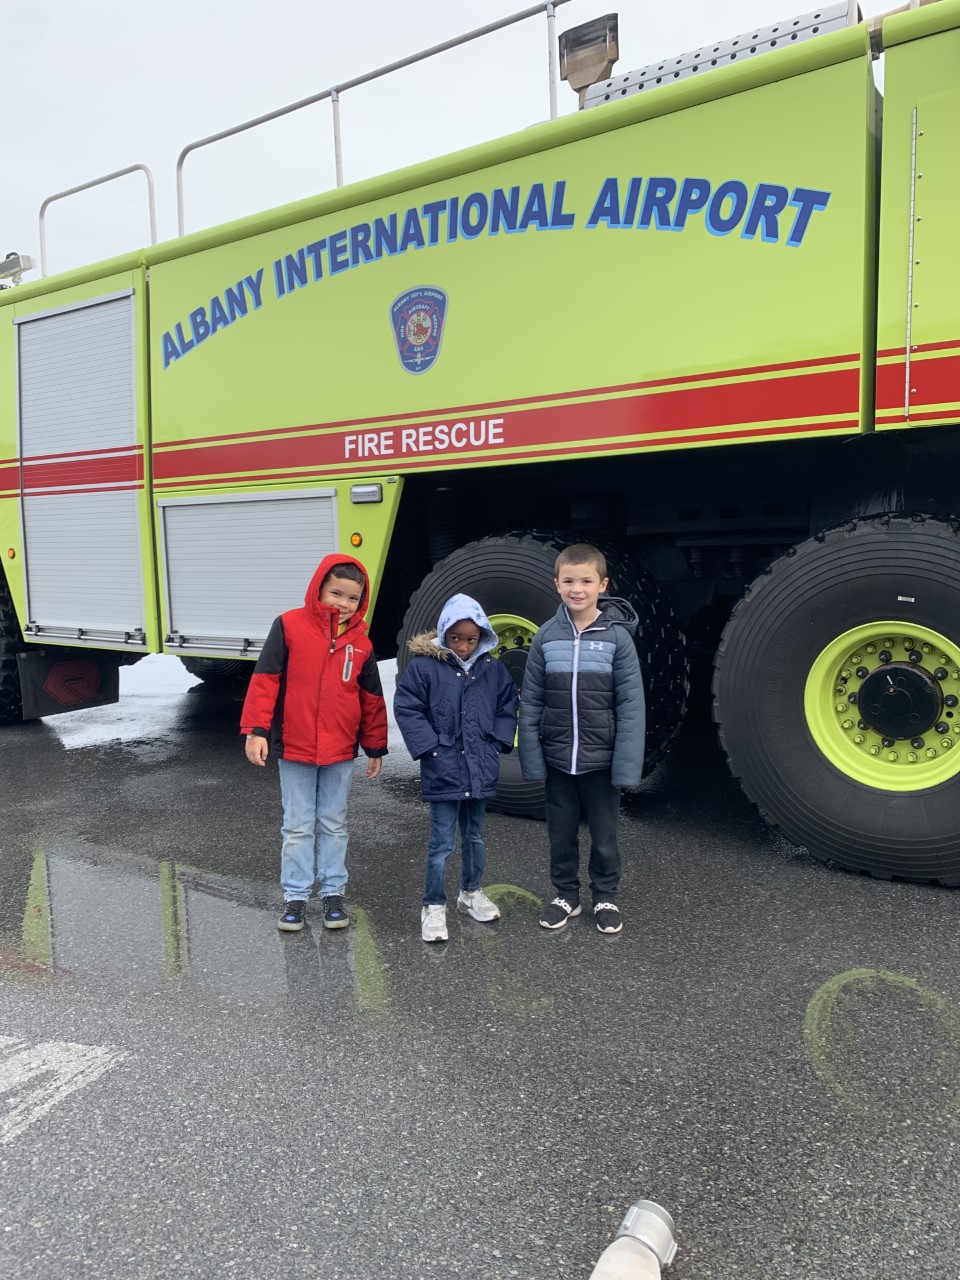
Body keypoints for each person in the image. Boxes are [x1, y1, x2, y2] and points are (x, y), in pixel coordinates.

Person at [241, 554, 387, 933]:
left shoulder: (362, 641)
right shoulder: (289, 626)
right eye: (335, 593)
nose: (342, 603)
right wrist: (257, 730)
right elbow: (266, 678)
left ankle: (334, 894)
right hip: (295, 746)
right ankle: (295, 897)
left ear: (361, 601)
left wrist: (375, 746)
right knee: (297, 825)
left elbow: (371, 698)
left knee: (335, 824)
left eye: (352, 598)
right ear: (318, 589)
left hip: (340, 750)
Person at [518, 544, 645, 935]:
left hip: (601, 761)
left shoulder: (617, 639)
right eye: (569, 581)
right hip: (558, 760)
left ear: (602, 585)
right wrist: (533, 759)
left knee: (605, 836)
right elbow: (532, 702)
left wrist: (625, 767)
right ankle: (565, 895)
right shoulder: (545, 638)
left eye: (586, 581)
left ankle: (605, 896)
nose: (577, 589)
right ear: (557, 584)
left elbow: (630, 705)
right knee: (561, 833)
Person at [394, 593, 519, 944]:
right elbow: (407, 707)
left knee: (475, 836)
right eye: (456, 638)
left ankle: (471, 892)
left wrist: (495, 743)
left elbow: (507, 705)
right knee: (442, 842)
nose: (463, 646)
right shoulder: (424, 667)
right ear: (445, 633)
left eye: (471, 639)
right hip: (443, 766)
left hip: (480, 766)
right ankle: (433, 905)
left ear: (482, 637)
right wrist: (430, 748)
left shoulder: (492, 669)